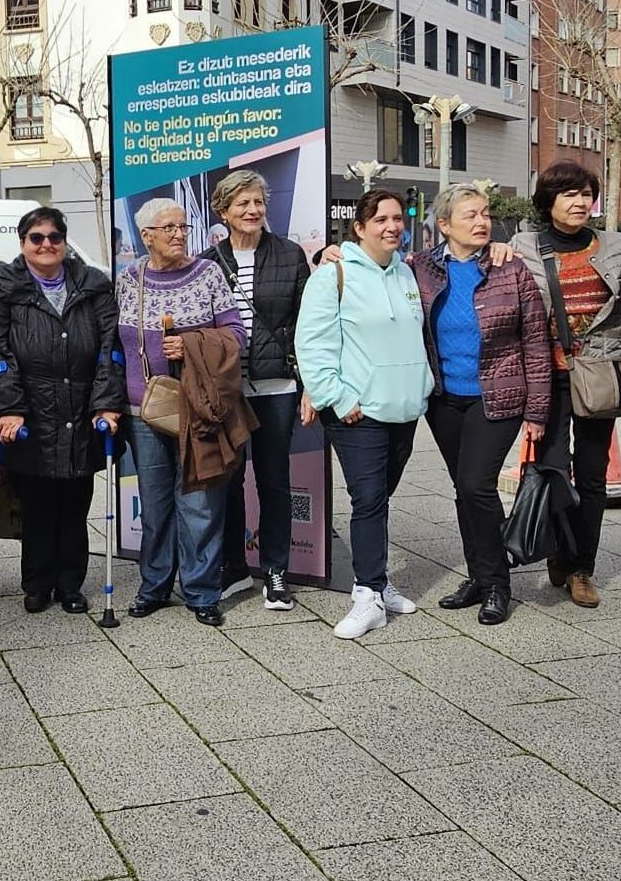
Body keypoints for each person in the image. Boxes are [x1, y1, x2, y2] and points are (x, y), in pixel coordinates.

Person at [296, 189, 434, 638]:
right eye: (381, 220)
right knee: (369, 498)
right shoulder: (332, 275)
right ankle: (367, 593)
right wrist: (337, 397)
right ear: (359, 227)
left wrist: (422, 387)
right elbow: (312, 345)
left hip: (404, 406)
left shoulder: (406, 273)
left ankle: (377, 578)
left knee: (381, 496)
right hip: (357, 412)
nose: (392, 226)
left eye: (398, 218)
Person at [0, 207, 125, 615]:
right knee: (38, 504)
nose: (46, 245)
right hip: (31, 415)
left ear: (64, 241)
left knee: (76, 502)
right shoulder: (5, 287)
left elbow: (110, 352)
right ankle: (38, 583)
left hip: (80, 412)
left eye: (54, 237)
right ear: (23, 244)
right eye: (36, 238)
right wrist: (9, 408)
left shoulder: (93, 285)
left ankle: (71, 584)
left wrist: (107, 404)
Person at [413, 183, 550, 627]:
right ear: (445, 225)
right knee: (463, 490)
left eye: (485, 213)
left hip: (498, 396)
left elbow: (535, 342)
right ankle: (478, 575)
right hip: (444, 398)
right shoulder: (421, 268)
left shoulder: (511, 269)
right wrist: (331, 256)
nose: (481, 222)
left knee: (477, 485)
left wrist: (537, 412)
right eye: (470, 215)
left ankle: (497, 584)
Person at [114, 197, 245, 626]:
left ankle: (202, 591)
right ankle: (154, 585)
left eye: (183, 227)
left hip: (198, 410)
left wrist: (189, 343)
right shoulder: (128, 279)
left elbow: (236, 335)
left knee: (201, 505)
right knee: (153, 505)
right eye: (168, 228)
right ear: (146, 236)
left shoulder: (207, 274)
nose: (178, 235)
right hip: (142, 410)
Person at [510, 161, 621, 609]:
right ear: (548, 201)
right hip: (547, 377)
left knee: (595, 476)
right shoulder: (522, 247)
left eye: (585, 194)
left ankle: (582, 567)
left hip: (597, 374)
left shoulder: (617, 246)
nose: (580, 202)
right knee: (553, 471)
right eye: (568, 195)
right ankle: (558, 549)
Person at [196, 170, 313, 610]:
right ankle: (233, 567)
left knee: (274, 480)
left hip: (276, 387)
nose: (252, 211)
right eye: (242, 204)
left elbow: (305, 322)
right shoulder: (206, 262)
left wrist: (308, 386)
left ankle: (276, 570)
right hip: (225, 392)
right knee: (226, 481)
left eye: (258, 202)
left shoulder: (289, 255)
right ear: (223, 211)